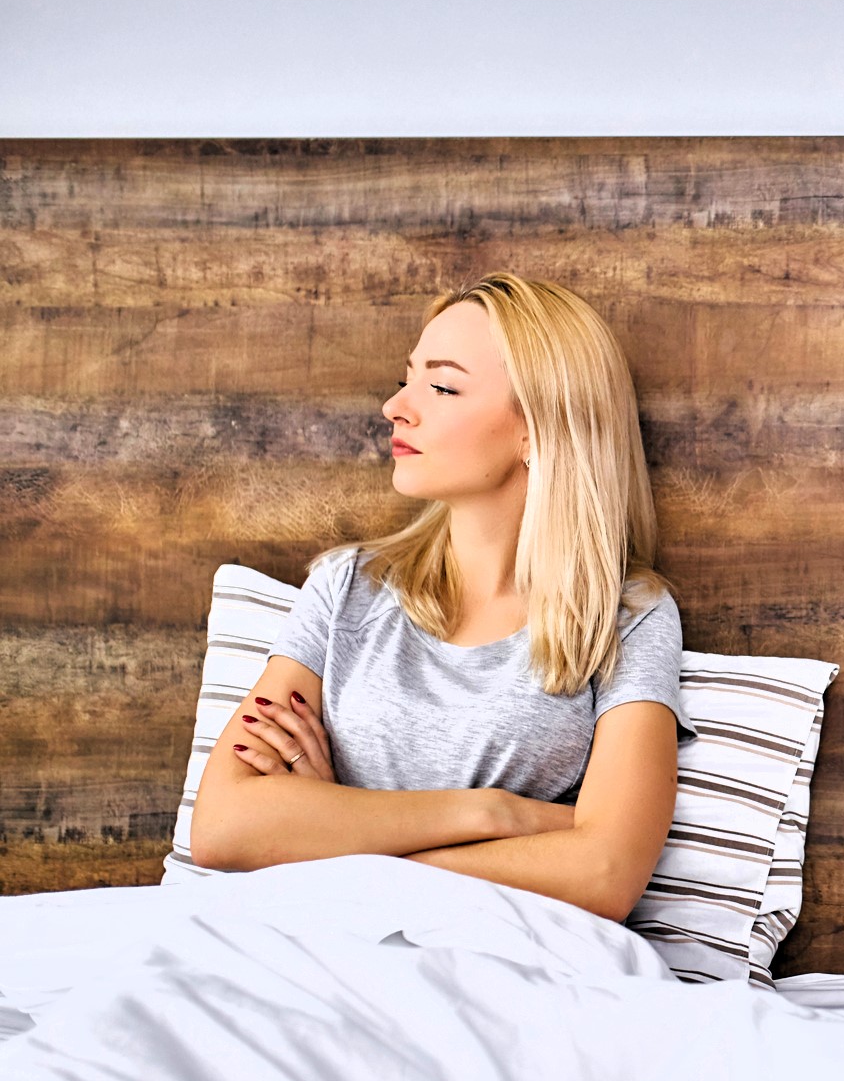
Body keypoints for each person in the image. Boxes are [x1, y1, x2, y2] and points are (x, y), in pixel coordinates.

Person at [184, 273, 693, 922]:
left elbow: (604, 872)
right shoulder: (346, 588)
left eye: (442, 385)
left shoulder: (627, 617)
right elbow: (223, 827)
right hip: (315, 945)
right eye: (409, 377)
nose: (396, 406)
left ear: (538, 429)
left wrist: (328, 838)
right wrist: (493, 812)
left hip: (504, 961)